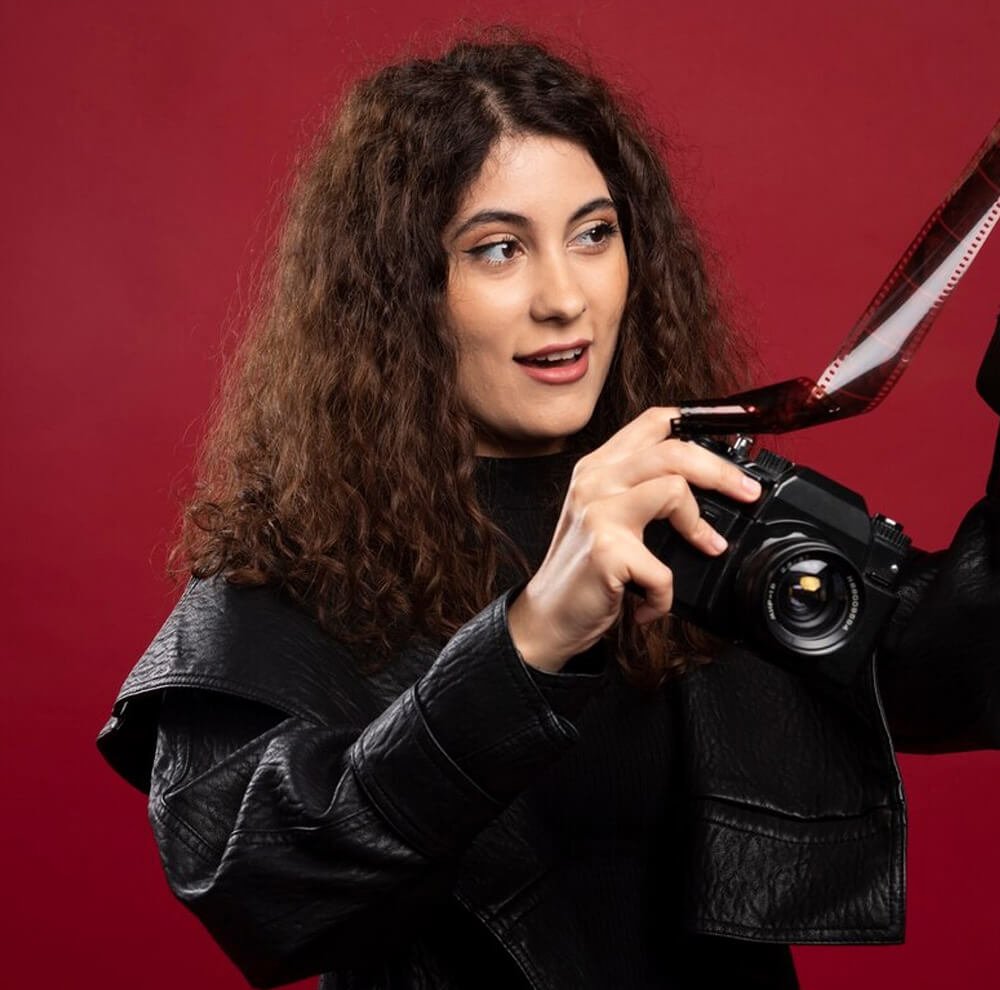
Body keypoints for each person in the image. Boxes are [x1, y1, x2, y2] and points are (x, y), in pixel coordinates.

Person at [97, 33, 1000, 990]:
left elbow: (966, 664)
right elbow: (264, 892)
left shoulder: (693, 498)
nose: (565, 298)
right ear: (396, 292)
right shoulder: (292, 566)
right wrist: (529, 638)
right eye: (498, 250)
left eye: (594, 234)